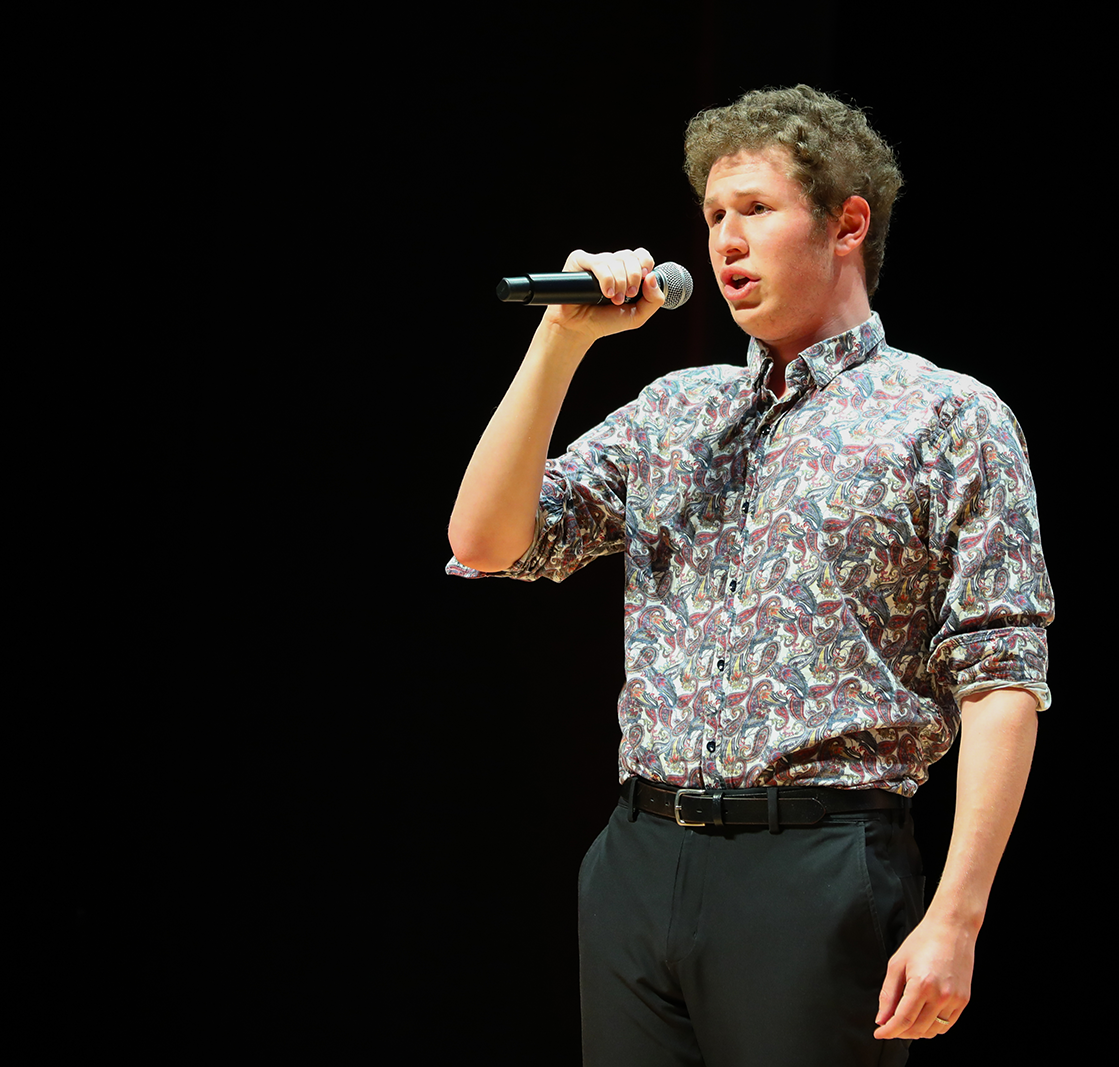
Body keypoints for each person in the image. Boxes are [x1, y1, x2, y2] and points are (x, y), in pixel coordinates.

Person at [447, 85, 1054, 1066]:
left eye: (756, 210)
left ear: (847, 222)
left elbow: (1000, 676)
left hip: (816, 862)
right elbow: (484, 540)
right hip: (641, 858)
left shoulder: (944, 417)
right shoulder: (675, 409)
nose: (725, 240)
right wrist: (559, 340)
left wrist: (957, 915)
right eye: (714, 216)